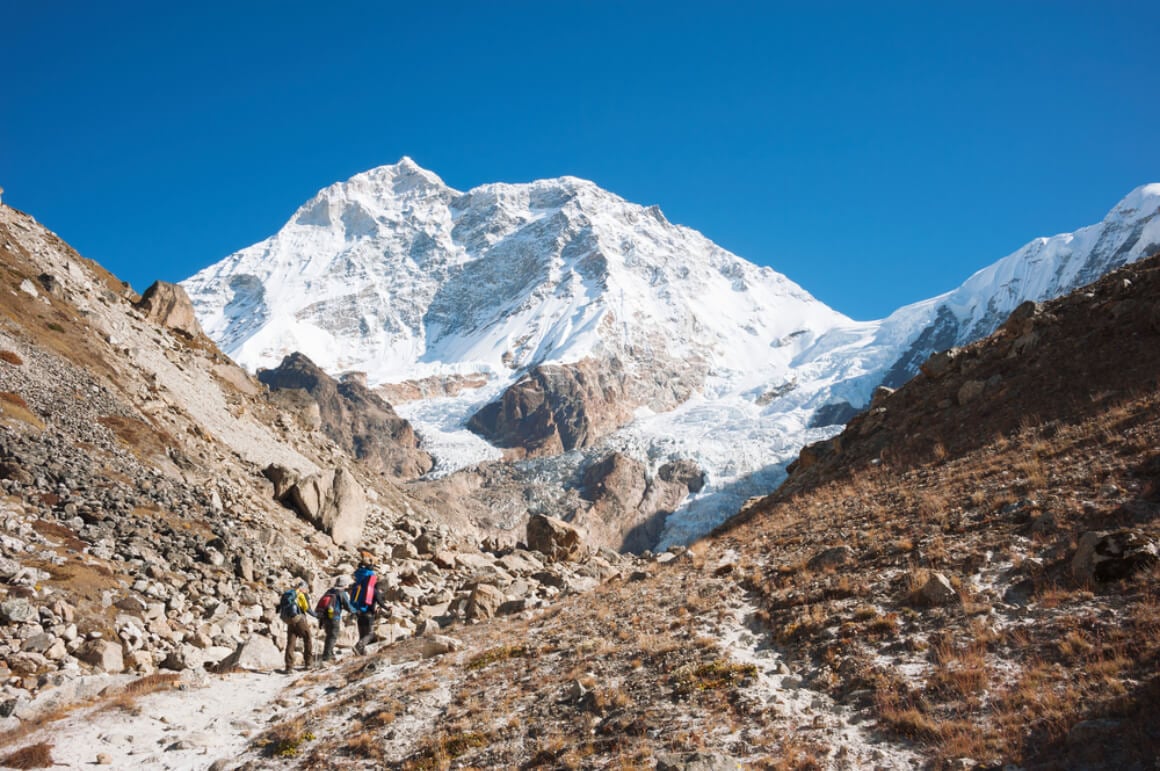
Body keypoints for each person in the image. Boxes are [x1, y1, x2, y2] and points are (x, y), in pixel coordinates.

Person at [351, 553, 392, 655]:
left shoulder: (359, 583)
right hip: (368, 613)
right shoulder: (373, 590)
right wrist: (387, 608)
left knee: (362, 634)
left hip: (358, 612)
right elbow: (380, 601)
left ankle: (360, 654)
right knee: (370, 634)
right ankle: (358, 646)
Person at [317, 575, 357, 662]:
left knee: (329, 635)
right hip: (334, 617)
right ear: (344, 584)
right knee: (333, 636)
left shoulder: (329, 591)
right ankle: (327, 656)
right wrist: (355, 610)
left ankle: (329, 653)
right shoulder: (341, 593)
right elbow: (348, 606)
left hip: (325, 617)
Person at [279, 581, 316, 672]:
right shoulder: (300, 594)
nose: (307, 590)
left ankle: (289, 667)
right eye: (306, 588)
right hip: (299, 619)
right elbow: (307, 608)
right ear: (303, 588)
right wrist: (317, 615)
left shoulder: (288, 593)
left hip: (289, 621)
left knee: (291, 642)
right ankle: (308, 664)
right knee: (307, 638)